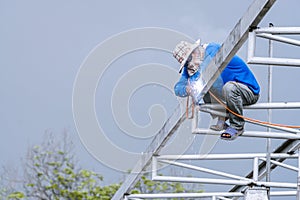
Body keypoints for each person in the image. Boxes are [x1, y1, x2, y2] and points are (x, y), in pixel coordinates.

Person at [173, 40, 260, 140]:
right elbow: (178, 88)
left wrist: (193, 83)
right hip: (227, 96)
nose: (188, 65)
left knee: (226, 87)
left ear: (194, 52)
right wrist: (187, 89)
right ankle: (222, 117)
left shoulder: (213, 50)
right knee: (202, 88)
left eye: (188, 60)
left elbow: (207, 72)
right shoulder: (190, 66)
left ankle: (237, 126)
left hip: (248, 92)